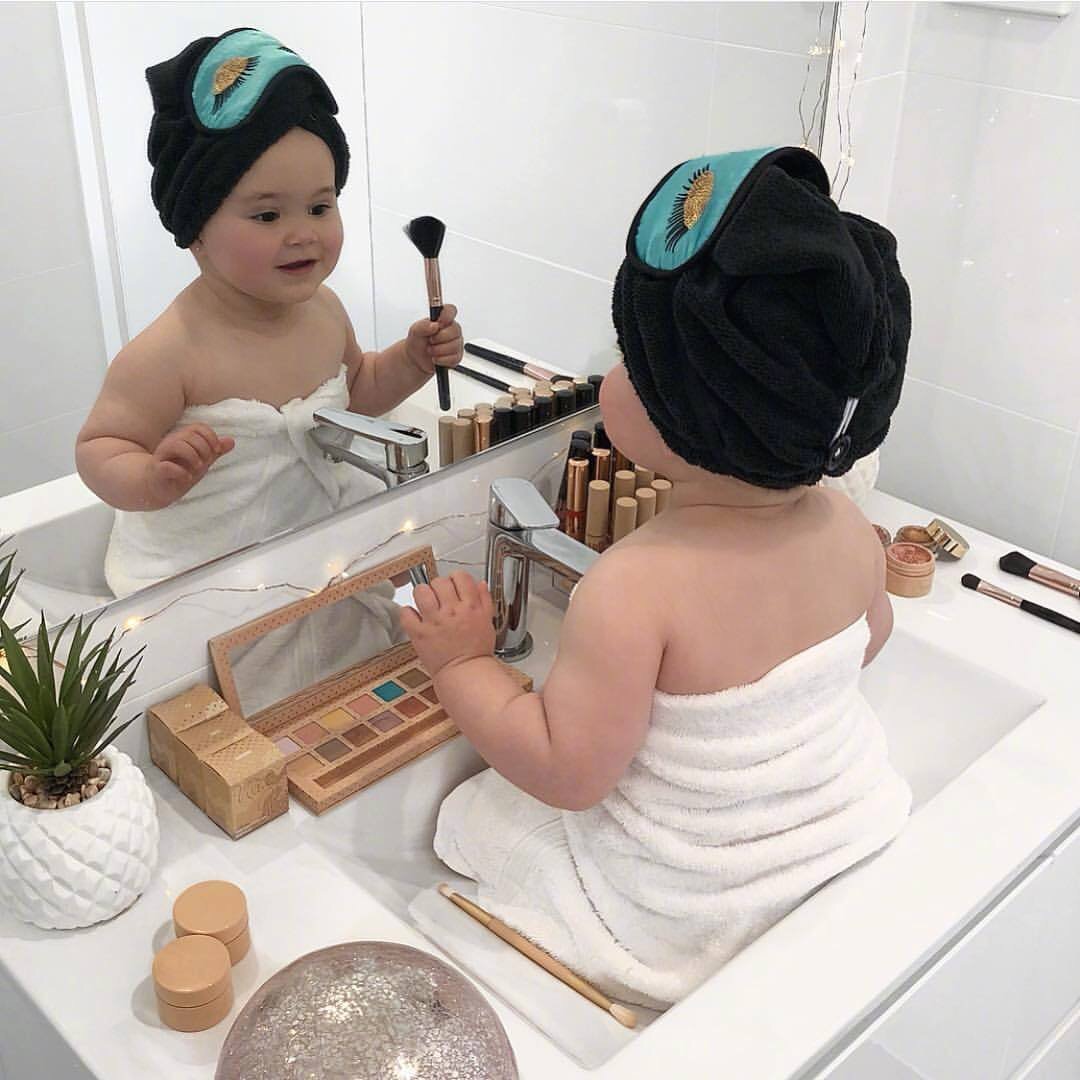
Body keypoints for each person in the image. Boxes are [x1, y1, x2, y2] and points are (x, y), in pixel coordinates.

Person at [402, 147, 913, 1009]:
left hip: (686, 911)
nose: (612, 376)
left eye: (631, 363)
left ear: (690, 411)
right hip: (840, 842)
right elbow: (869, 641)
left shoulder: (634, 588)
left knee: (472, 819)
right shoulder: (846, 527)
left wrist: (461, 663)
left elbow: (567, 773)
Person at [76, 28, 462, 597]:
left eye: (320, 206)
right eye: (267, 216)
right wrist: (152, 477)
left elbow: (356, 393)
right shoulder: (171, 351)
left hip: (313, 558)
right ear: (195, 228)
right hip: (203, 585)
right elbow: (99, 448)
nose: (302, 233)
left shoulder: (324, 311)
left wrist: (411, 360)